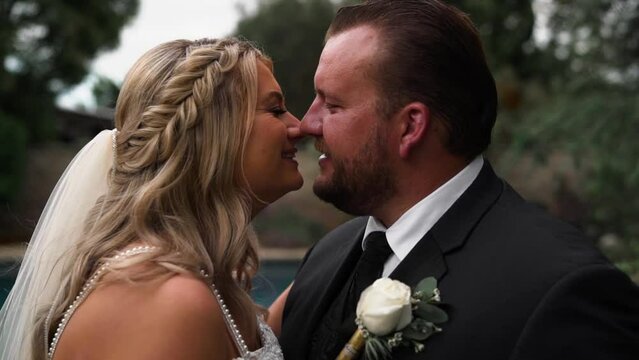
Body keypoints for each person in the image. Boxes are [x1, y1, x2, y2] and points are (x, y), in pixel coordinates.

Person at [272, 1, 639, 359]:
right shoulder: (326, 256)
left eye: (332, 105)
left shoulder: (562, 293)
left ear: (411, 126)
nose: (307, 123)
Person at [0, 37, 303, 359]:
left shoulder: (198, 281)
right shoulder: (163, 299)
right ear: (213, 132)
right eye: (276, 109)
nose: (298, 126)